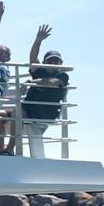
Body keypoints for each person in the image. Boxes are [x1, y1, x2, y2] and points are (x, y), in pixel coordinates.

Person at [19, 24, 69, 156]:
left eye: (56, 61)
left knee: (20, 117)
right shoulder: (39, 71)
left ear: (60, 64)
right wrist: (38, 40)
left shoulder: (63, 75)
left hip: (45, 113)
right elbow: (33, 59)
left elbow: (51, 83)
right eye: (50, 60)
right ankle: (6, 150)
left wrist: (31, 82)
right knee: (5, 116)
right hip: (28, 109)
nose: (53, 63)